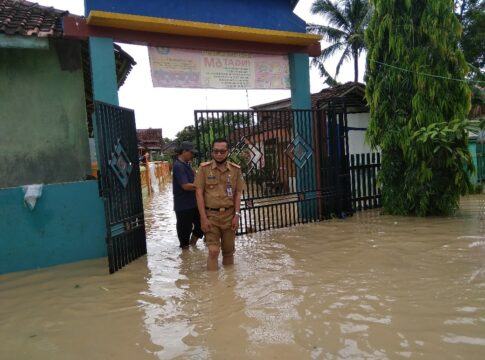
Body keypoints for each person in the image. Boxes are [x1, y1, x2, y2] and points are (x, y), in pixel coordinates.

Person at [195, 138, 246, 271]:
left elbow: (238, 194)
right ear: (212, 152)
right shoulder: (204, 169)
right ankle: (213, 286)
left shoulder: (236, 170)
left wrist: (236, 215)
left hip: (229, 216)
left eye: (222, 151)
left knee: (228, 252)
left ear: (227, 152)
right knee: (213, 251)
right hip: (210, 215)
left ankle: (229, 286)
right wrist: (203, 218)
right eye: (216, 151)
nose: (219, 154)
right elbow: (199, 194)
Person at [172, 141, 204, 249]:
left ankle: (192, 245)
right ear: (184, 152)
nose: (192, 155)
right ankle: (185, 257)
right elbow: (185, 186)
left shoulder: (186, 164)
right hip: (183, 205)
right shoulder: (178, 166)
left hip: (193, 203)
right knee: (184, 233)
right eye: (191, 153)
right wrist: (202, 185)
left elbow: (194, 179)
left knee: (201, 226)